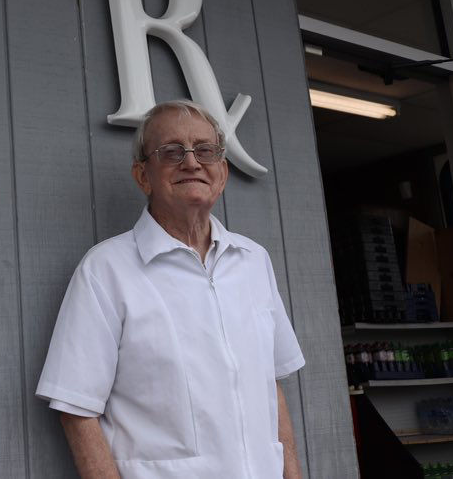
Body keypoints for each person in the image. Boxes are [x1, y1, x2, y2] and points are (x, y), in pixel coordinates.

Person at [36, 100, 304, 479]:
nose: (192, 162)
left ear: (222, 172)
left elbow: (270, 384)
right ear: (142, 175)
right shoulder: (105, 270)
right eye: (172, 151)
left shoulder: (253, 261)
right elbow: (76, 409)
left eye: (205, 150)